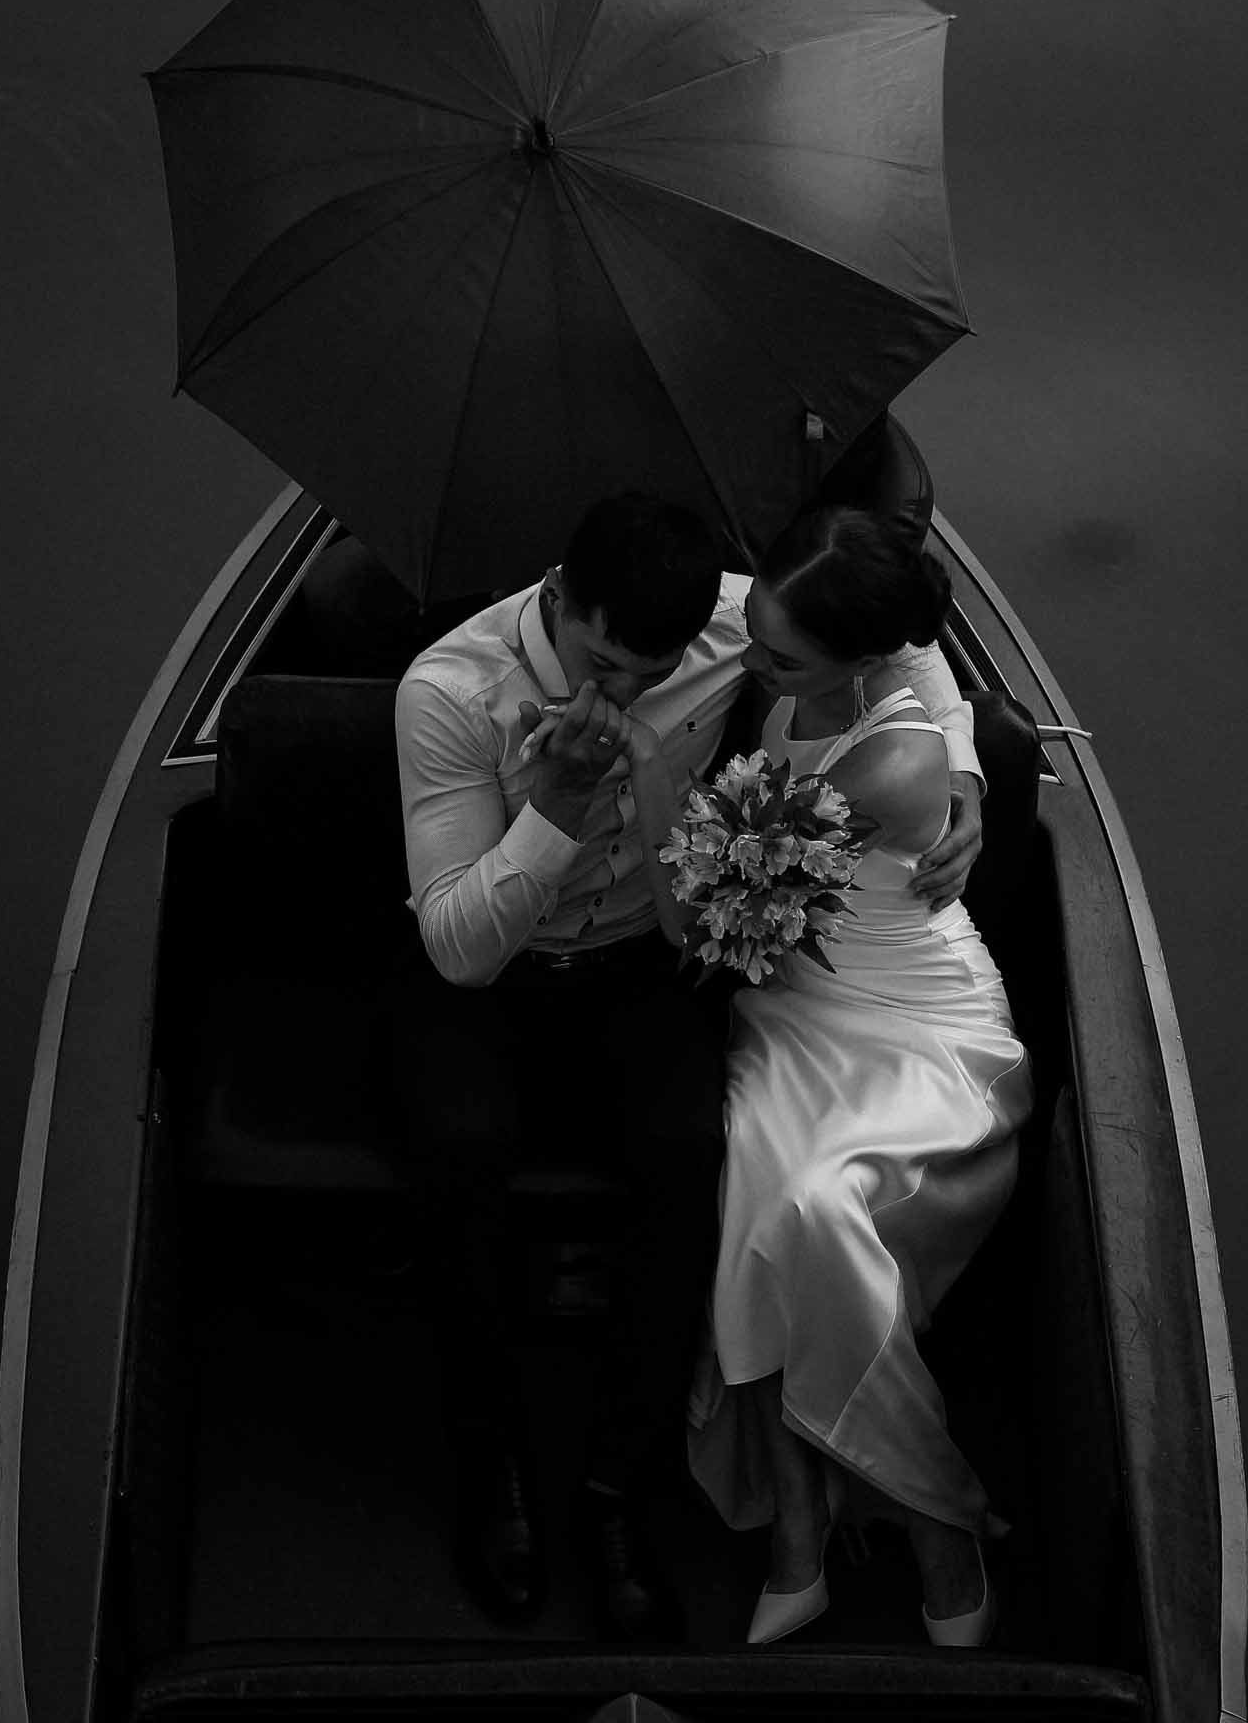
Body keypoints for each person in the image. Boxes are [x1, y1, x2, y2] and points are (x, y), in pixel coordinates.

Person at [394, 490, 985, 1644]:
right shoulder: (449, 692)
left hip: (640, 961)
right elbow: (459, 949)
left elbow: (900, 643)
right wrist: (554, 809)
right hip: (491, 979)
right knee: (456, 1154)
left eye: (650, 674)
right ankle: (491, 1460)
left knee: (691, 1158)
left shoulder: (730, 622)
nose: (621, 694)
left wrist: (961, 772)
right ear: (557, 601)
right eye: (604, 665)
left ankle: (615, 1483)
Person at [626, 503, 1032, 1648]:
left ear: (861, 658)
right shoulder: (795, 639)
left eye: (780, 659)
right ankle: (801, 1532)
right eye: (754, 632)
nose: (751, 663)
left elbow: (698, 921)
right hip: (791, 1011)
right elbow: (909, 661)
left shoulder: (892, 768)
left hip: (912, 1023)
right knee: (761, 1199)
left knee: (814, 1210)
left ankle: (935, 1519)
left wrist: (650, 782)